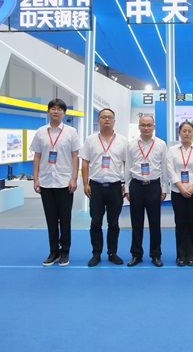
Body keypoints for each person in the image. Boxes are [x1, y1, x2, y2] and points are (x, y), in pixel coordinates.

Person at [31, 99, 80, 267]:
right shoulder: (40, 132)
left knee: (65, 219)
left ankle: (65, 251)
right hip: (46, 181)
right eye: (53, 108)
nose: (56, 111)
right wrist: (36, 178)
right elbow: (37, 156)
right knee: (51, 219)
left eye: (59, 109)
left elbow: (75, 156)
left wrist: (74, 178)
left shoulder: (71, 132)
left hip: (65, 182)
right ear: (48, 111)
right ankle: (53, 251)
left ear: (64, 113)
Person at [79, 108, 128, 267]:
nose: (106, 119)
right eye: (103, 117)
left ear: (114, 121)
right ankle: (96, 253)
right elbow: (85, 162)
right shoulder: (90, 140)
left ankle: (112, 253)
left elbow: (127, 164)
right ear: (98, 120)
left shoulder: (122, 141)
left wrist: (125, 184)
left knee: (113, 223)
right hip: (96, 186)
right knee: (96, 222)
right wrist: (85, 183)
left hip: (115, 187)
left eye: (109, 117)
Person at [124, 115, 168, 267]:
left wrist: (164, 188)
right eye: (143, 125)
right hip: (136, 186)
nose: (146, 128)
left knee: (155, 223)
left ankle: (156, 254)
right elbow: (128, 166)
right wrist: (127, 187)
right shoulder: (131, 144)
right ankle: (136, 254)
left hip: (154, 186)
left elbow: (164, 168)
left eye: (149, 125)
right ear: (139, 127)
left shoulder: (161, 144)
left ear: (154, 127)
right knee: (136, 223)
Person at [166, 121, 193, 266]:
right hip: (178, 192)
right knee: (180, 223)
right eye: (184, 131)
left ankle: (192, 255)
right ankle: (181, 256)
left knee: (192, 223)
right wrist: (181, 187)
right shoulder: (172, 150)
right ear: (179, 133)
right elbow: (170, 170)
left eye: (189, 131)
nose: (187, 134)